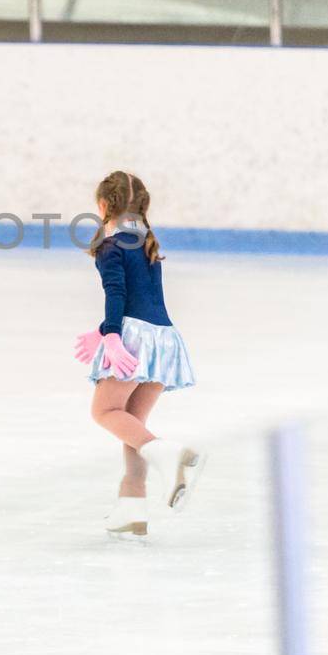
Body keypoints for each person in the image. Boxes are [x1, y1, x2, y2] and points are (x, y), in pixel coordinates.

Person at [73, 170, 202, 537]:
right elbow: (142, 298)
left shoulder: (111, 247)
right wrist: (102, 331)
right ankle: (131, 509)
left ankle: (171, 454)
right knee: (132, 426)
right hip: (165, 340)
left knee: (105, 411)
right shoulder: (149, 244)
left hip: (134, 337)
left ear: (102, 206)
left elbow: (116, 294)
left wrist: (111, 335)